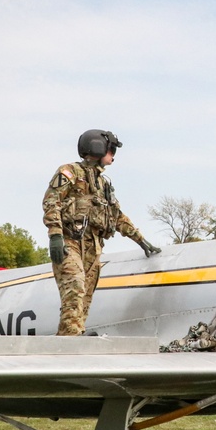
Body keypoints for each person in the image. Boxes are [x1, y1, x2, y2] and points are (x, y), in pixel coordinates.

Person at [42, 129, 160, 336]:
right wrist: (55, 235)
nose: (113, 155)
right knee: (75, 288)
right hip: (70, 242)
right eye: (111, 150)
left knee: (85, 296)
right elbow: (51, 201)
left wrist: (140, 240)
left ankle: (75, 334)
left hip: (93, 247)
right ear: (98, 148)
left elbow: (117, 217)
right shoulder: (69, 172)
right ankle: (69, 339)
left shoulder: (103, 184)